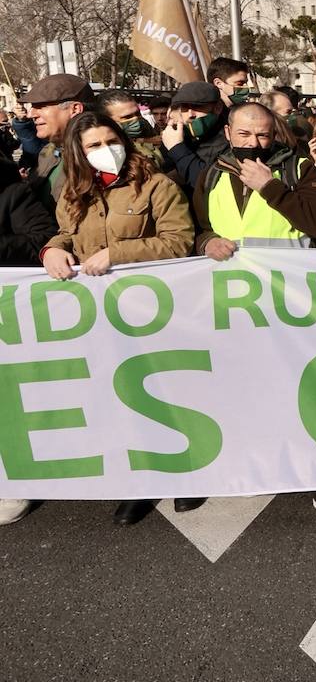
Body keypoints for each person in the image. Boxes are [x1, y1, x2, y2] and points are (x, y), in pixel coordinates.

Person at [40, 111, 197, 526]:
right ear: (78, 152)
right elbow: (67, 235)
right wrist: (52, 249)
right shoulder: (73, 194)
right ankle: (140, 482)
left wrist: (119, 255)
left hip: (156, 311)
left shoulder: (157, 185)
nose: (106, 150)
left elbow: (179, 241)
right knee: (118, 394)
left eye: (111, 141)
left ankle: (187, 474)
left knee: (166, 392)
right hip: (103, 317)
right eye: (93, 146)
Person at [189, 102, 316, 509]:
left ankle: (315, 470)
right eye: (245, 135)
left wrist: (269, 187)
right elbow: (200, 228)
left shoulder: (297, 168)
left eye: (263, 136)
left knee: (299, 388)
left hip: (290, 300)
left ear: (274, 135)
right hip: (236, 303)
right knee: (246, 388)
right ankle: (257, 462)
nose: (254, 144)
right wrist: (206, 243)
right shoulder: (213, 173)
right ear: (229, 133)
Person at [19, 73, 96, 213]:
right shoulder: (49, 150)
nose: (31, 114)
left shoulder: (98, 157)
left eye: (41, 106)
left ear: (75, 109)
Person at [162, 81, 230, 191]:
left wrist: (177, 149)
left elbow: (207, 182)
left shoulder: (230, 137)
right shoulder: (183, 134)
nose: (190, 115)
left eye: (197, 107)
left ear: (217, 108)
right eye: (185, 107)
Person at [98, 90, 167, 172]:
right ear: (107, 120)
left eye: (137, 113)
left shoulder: (144, 124)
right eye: (127, 117)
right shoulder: (105, 152)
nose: (136, 119)